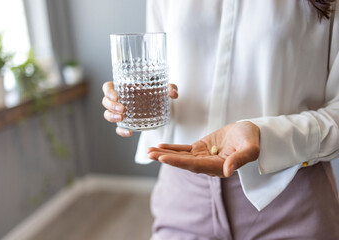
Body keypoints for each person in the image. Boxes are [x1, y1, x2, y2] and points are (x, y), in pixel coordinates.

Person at [103, 0, 339, 239]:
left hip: (290, 198)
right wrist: (136, 102)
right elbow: (161, 76)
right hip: (183, 196)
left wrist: (264, 135)